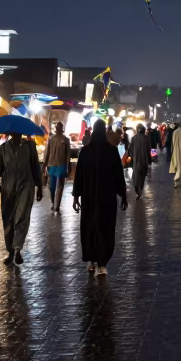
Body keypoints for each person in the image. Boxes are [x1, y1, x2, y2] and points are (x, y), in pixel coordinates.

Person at [72, 119, 128, 277]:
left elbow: (79, 176)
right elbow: (119, 176)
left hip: (89, 198)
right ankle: (102, 263)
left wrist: (76, 196)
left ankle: (91, 260)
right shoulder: (111, 151)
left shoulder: (85, 151)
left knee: (90, 227)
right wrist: (123, 195)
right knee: (105, 228)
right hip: (107, 198)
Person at [0, 130, 44, 267]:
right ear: (9, 133)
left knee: (22, 216)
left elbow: (36, 167)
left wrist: (39, 186)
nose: (16, 134)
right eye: (13, 132)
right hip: (8, 188)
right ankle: (10, 250)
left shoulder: (29, 147)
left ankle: (17, 249)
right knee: (8, 219)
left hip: (26, 186)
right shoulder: (3, 148)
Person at [44, 122, 72, 214]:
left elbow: (68, 154)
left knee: (60, 186)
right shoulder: (51, 139)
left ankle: (57, 206)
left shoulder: (66, 140)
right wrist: (44, 165)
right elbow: (47, 152)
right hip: (52, 165)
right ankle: (53, 203)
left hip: (62, 165)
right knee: (51, 187)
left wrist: (68, 167)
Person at [129, 125, 152, 199]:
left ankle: (137, 191)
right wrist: (150, 160)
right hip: (145, 161)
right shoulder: (146, 139)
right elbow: (149, 150)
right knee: (142, 178)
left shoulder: (134, 138)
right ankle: (140, 191)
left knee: (135, 177)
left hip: (137, 161)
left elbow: (130, 149)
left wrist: (131, 156)